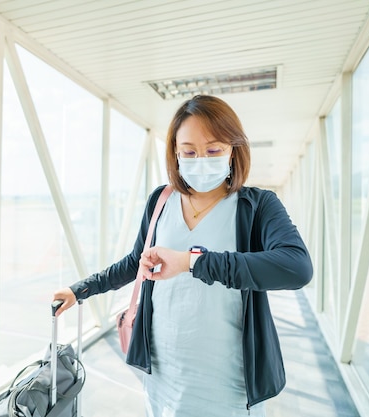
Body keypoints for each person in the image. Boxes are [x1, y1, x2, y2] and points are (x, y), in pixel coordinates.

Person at [53, 95, 313, 417]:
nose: (200, 159)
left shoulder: (257, 206)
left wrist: (193, 262)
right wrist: (81, 289)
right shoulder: (160, 201)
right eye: (188, 151)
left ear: (234, 149)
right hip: (163, 374)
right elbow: (136, 262)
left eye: (214, 149)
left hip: (228, 386)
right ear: (175, 153)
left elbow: (296, 267)